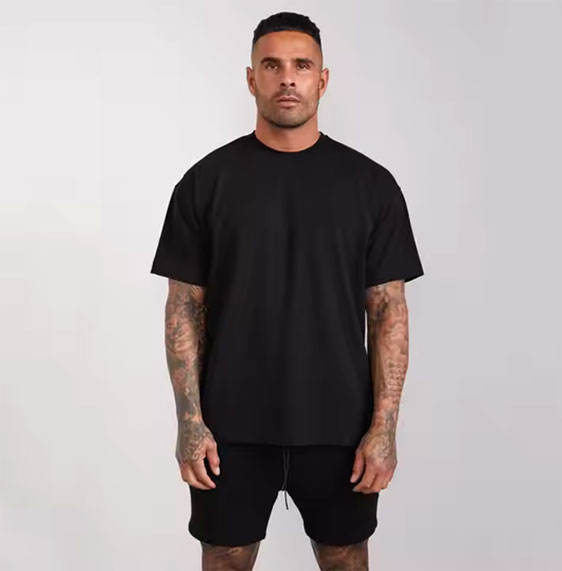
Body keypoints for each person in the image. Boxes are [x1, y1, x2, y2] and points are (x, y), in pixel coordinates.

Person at [150, 11, 424, 571]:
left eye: (302, 65)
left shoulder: (371, 186)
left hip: (339, 424)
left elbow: (388, 312)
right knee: (225, 557)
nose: (287, 78)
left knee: (345, 558)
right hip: (229, 427)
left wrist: (384, 427)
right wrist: (190, 422)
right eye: (272, 66)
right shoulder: (205, 183)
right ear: (251, 79)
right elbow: (183, 309)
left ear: (323, 79)